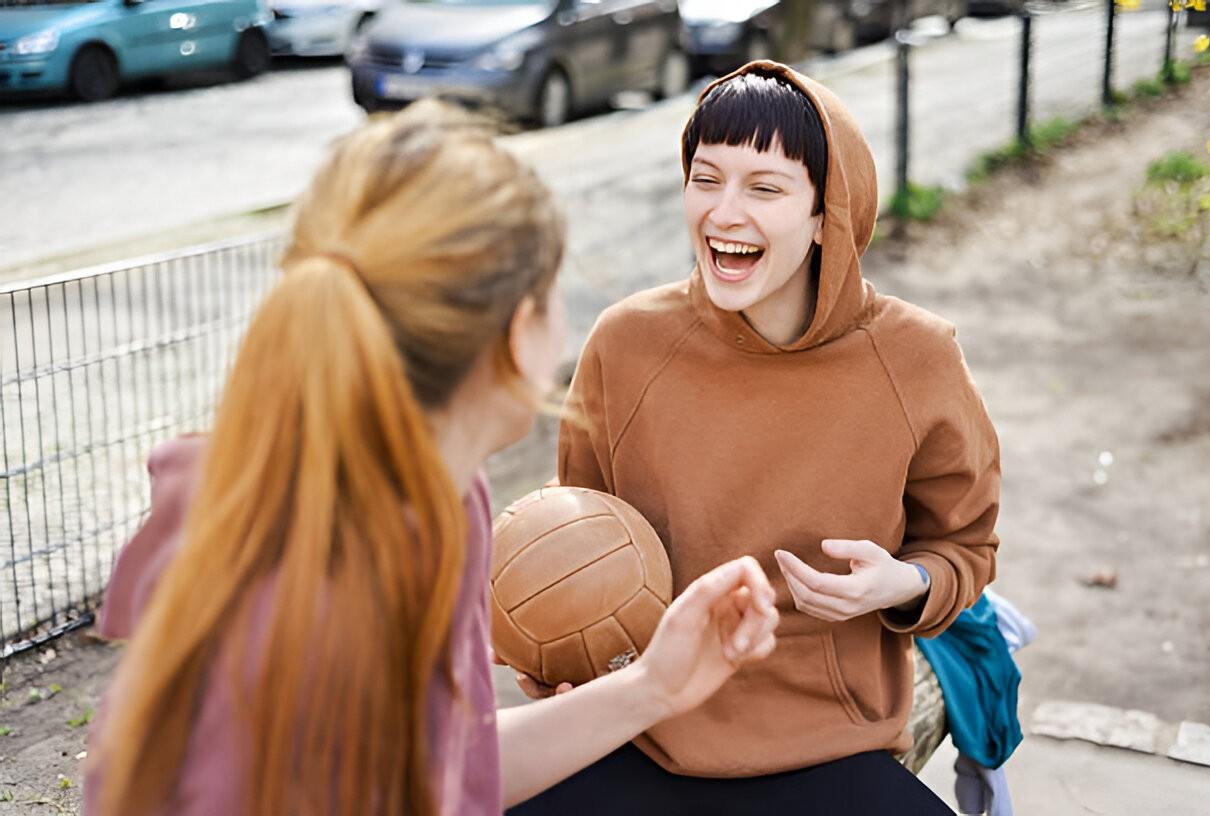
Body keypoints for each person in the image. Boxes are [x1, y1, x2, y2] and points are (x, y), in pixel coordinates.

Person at [84, 100, 781, 816]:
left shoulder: (445, 498)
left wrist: (651, 689)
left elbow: (444, 764)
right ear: (520, 333)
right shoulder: (305, 598)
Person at [510, 61, 1000, 814]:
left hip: (826, 742)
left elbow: (965, 545)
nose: (723, 213)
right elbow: (578, 533)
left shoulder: (917, 358)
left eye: (764, 188)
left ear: (823, 218)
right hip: (641, 728)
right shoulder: (627, 342)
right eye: (706, 179)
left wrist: (902, 583)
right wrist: (550, 640)